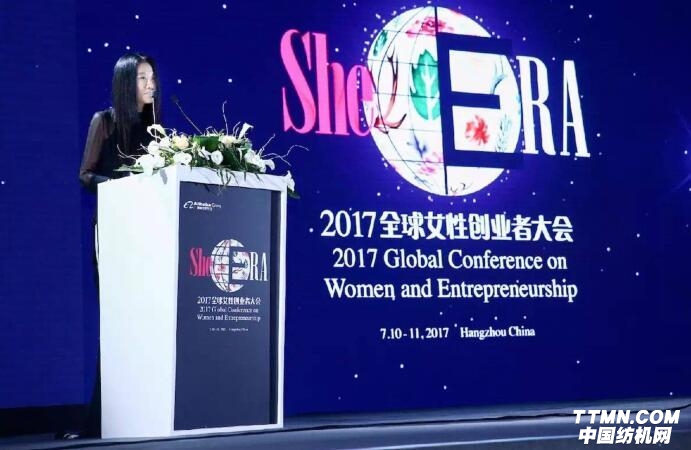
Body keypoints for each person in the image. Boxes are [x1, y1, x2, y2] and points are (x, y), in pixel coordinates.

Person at [68, 53, 161, 440]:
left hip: (149, 236)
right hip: (113, 233)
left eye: (152, 77)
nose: (151, 85)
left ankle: (148, 412)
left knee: (148, 325)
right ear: (126, 83)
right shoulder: (104, 122)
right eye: (142, 78)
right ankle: (101, 419)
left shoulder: (156, 128)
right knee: (117, 325)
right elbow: (85, 175)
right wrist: (124, 187)